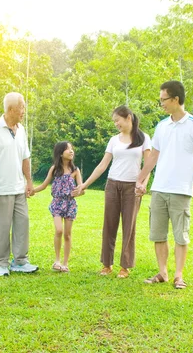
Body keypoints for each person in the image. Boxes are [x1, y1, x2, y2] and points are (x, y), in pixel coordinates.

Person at [135, 80, 193, 289]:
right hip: (159, 189)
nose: (161, 104)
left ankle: (179, 275)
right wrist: (141, 178)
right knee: (158, 234)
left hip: (181, 190)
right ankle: (162, 273)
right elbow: (154, 156)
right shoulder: (162, 126)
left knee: (181, 235)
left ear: (176, 99)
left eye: (164, 100)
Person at [72, 106, 151, 278]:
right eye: (114, 121)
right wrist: (84, 184)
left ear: (128, 118)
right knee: (109, 224)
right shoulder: (114, 140)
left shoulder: (144, 138)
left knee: (129, 226)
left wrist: (143, 184)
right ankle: (107, 264)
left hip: (133, 187)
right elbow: (103, 165)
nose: (116, 124)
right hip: (113, 185)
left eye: (117, 120)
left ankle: (125, 266)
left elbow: (148, 165)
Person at [0, 92, 38, 276]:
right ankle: (1, 263)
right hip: (0, 188)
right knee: (1, 228)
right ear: (11, 109)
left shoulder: (21, 129)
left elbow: (25, 157)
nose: (24, 111)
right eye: (22, 107)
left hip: (18, 187)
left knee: (23, 223)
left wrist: (29, 182)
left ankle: (20, 261)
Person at [33, 141, 83, 273]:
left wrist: (79, 192)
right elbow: (44, 185)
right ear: (61, 153)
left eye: (72, 149)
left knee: (67, 234)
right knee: (59, 230)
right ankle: (57, 260)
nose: (71, 151)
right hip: (57, 203)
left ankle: (65, 263)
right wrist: (32, 190)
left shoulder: (75, 170)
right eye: (68, 149)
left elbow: (81, 188)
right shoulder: (54, 169)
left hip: (70, 204)